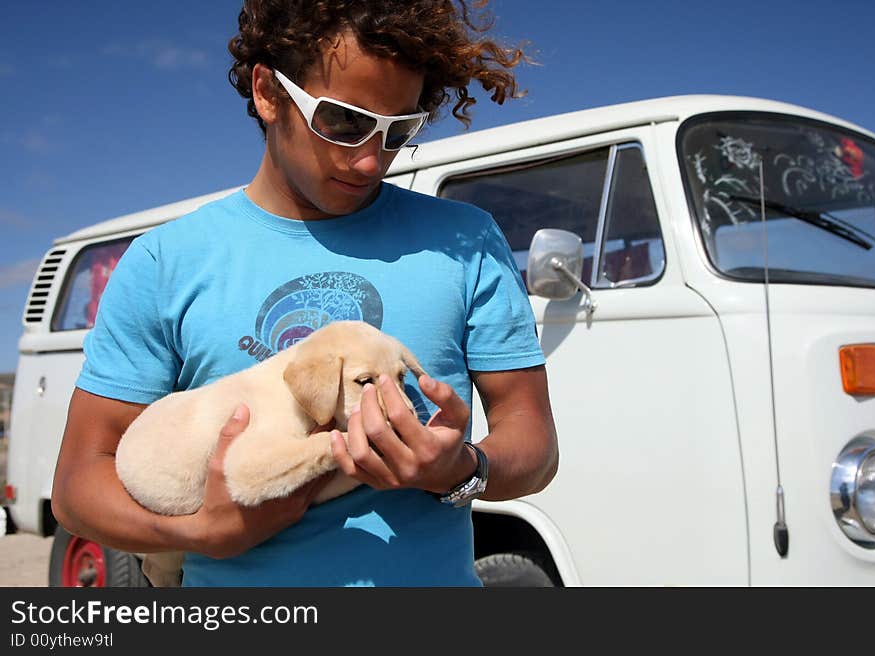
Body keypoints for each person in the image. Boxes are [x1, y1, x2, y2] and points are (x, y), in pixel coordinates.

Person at [51, 0, 558, 586]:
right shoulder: (166, 263)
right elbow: (78, 487)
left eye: (400, 131)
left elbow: (535, 443)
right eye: (344, 121)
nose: (371, 160)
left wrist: (462, 468)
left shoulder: (465, 243)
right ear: (268, 92)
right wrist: (200, 534)